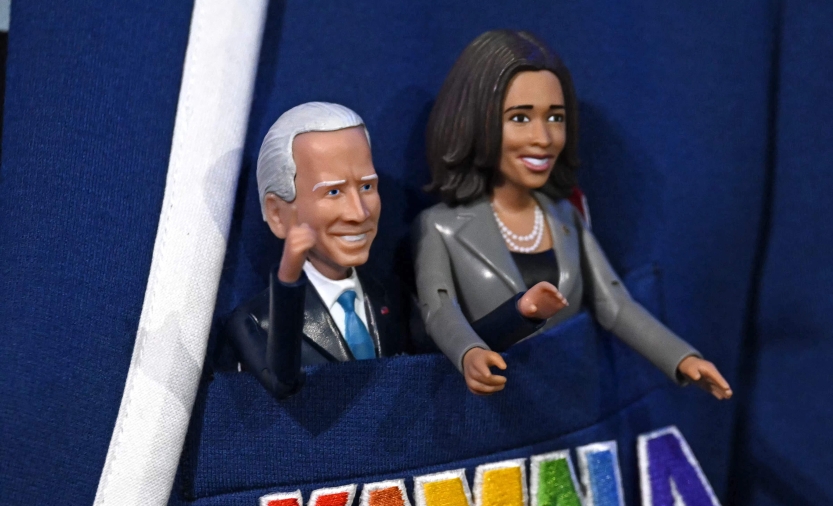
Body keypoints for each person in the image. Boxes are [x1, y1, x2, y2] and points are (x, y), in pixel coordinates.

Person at [414, 30, 732, 399]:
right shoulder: (440, 227)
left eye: (555, 117)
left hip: (568, 405)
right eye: (519, 118)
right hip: (491, 411)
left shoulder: (565, 217)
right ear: (474, 122)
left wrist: (680, 358)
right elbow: (439, 311)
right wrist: (468, 352)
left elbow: (614, 304)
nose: (543, 138)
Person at [226, 102, 405, 399]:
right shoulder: (256, 322)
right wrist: (287, 279)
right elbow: (282, 381)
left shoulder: (394, 297)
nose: (358, 213)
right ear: (278, 214)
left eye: (366, 188)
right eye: (333, 192)